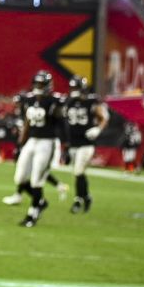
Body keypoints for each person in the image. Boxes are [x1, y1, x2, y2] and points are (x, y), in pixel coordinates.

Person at [10, 71, 65, 227]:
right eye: (36, 84)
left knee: (37, 180)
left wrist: (65, 146)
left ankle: (32, 214)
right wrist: (20, 144)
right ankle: (41, 202)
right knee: (20, 178)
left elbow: (62, 122)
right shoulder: (30, 100)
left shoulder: (54, 102)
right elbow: (27, 123)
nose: (38, 87)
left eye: (41, 85)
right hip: (32, 141)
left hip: (47, 142)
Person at [62, 76, 108, 213]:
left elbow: (104, 118)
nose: (74, 91)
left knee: (78, 171)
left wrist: (98, 129)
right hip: (73, 143)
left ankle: (78, 200)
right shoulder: (68, 102)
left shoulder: (91, 101)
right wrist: (66, 145)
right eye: (73, 88)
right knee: (78, 173)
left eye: (76, 88)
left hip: (86, 143)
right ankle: (86, 197)